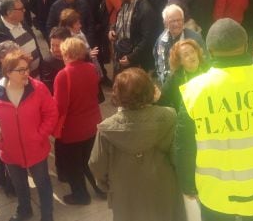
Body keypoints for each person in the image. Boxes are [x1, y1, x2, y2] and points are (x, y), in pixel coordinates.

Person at [174, 18, 253, 220]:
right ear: (247, 46)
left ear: (210, 51)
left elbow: (184, 146)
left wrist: (188, 183)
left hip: (216, 195)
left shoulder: (194, 91)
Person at [89, 67, 184, 221]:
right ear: (150, 90)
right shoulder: (169, 115)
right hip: (163, 188)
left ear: (117, 94)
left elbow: (96, 163)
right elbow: (178, 156)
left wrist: (106, 185)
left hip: (125, 193)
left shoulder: (106, 128)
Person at [0, 50, 57, 221]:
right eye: (21, 70)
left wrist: (39, 135)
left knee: (43, 183)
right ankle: (24, 210)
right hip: (10, 151)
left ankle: (47, 214)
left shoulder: (38, 88)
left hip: (36, 148)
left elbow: (51, 113)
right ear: (8, 72)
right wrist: (0, 142)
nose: (27, 73)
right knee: (19, 185)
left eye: (27, 69)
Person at [53, 37, 103, 205]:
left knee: (74, 165)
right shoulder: (91, 68)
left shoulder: (63, 75)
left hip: (72, 130)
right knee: (91, 160)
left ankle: (81, 195)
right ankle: (101, 189)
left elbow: (60, 107)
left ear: (66, 53)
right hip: (92, 123)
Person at [109, 0, 158, 72]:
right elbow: (120, 22)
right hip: (122, 54)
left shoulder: (145, 10)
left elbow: (147, 40)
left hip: (135, 62)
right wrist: (112, 30)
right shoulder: (125, 3)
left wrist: (132, 57)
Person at [0, 0, 42, 76]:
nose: (24, 10)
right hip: (20, 82)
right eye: (21, 9)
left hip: (36, 76)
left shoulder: (20, 22)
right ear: (9, 13)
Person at [153, 4, 207, 85]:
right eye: (172, 21)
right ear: (165, 23)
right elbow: (159, 63)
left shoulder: (195, 38)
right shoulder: (161, 40)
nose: (176, 24)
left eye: (179, 20)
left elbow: (205, 61)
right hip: (171, 84)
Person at [156, 39, 209, 111]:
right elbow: (165, 100)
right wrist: (157, 98)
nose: (191, 56)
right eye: (186, 55)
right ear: (180, 61)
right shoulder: (174, 78)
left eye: (193, 52)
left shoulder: (209, 68)